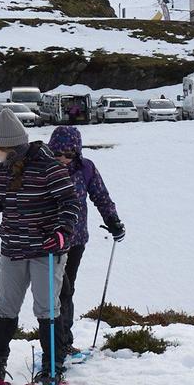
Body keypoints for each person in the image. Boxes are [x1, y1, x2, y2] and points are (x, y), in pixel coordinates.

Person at [0, 108, 81, 385]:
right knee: (6, 308)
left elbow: (70, 202)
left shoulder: (50, 167)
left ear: (7, 146)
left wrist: (62, 233)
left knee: (47, 309)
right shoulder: (3, 171)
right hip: (13, 249)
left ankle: (52, 369)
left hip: (46, 250)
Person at [47, 124, 124, 361]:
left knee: (67, 290)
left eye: (69, 154)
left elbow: (101, 196)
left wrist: (112, 220)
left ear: (77, 153)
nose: (63, 158)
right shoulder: (43, 168)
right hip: (49, 241)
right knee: (58, 291)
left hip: (76, 239)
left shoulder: (86, 168)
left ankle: (63, 342)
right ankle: (56, 345)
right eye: (58, 153)